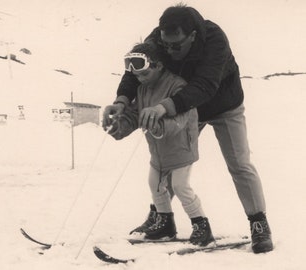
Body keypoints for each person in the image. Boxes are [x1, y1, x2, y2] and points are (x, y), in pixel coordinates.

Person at [103, 4, 272, 254]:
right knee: (170, 159)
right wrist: (121, 101)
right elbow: (136, 70)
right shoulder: (160, 37)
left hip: (223, 105)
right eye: (166, 45)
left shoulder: (215, 40)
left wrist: (163, 107)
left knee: (239, 164)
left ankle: (259, 223)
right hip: (181, 106)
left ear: (193, 35)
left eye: (176, 46)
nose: (169, 51)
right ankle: (162, 219)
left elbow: (205, 85)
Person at [107, 42, 214, 246]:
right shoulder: (142, 90)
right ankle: (165, 223)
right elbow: (134, 114)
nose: (140, 79)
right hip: (158, 153)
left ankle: (202, 226)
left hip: (181, 148)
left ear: (159, 66)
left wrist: (159, 127)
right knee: (154, 184)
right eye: (137, 76)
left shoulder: (177, 86)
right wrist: (117, 126)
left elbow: (182, 119)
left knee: (180, 186)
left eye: (145, 74)